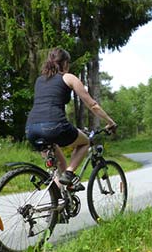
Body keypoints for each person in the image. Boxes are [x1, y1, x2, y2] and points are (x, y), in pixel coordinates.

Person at [25, 47, 117, 190]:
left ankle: (58, 205)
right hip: (54, 126)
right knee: (85, 142)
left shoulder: (39, 80)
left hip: (31, 129)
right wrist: (110, 122)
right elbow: (93, 105)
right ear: (65, 63)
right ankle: (69, 174)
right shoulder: (68, 77)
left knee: (58, 168)